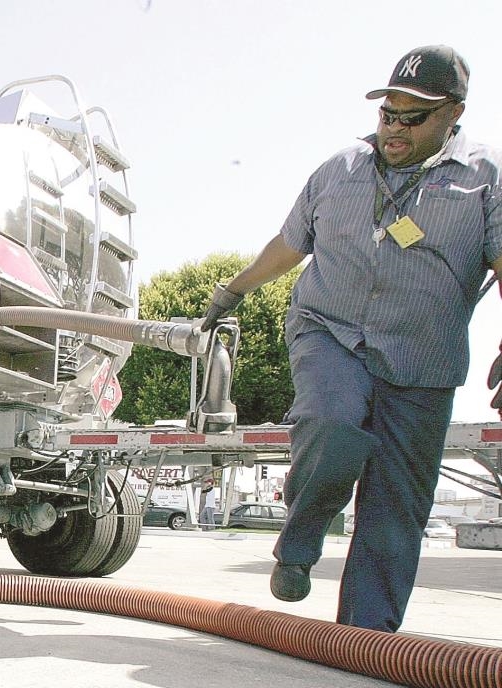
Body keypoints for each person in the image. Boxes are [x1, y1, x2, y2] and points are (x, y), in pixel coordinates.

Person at [201, 45, 502, 633]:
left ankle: (366, 638)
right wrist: (232, 291)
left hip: (424, 354)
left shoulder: (485, 178)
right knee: (333, 422)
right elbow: (290, 244)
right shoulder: (339, 169)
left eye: (414, 117)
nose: (394, 128)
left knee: (398, 501)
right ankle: (299, 540)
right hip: (330, 330)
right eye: (388, 113)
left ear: (453, 115)